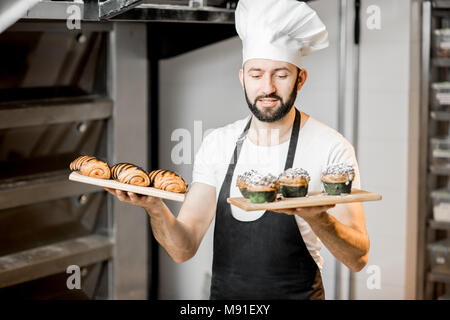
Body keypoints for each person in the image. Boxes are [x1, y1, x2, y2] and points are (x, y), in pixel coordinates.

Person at [105, 0, 369, 300]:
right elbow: (183, 248)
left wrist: (316, 216)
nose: (267, 88)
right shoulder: (217, 143)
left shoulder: (331, 148)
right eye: (256, 74)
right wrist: (154, 208)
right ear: (242, 78)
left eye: (280, 74)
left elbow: (358, 259)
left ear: (300, 78)